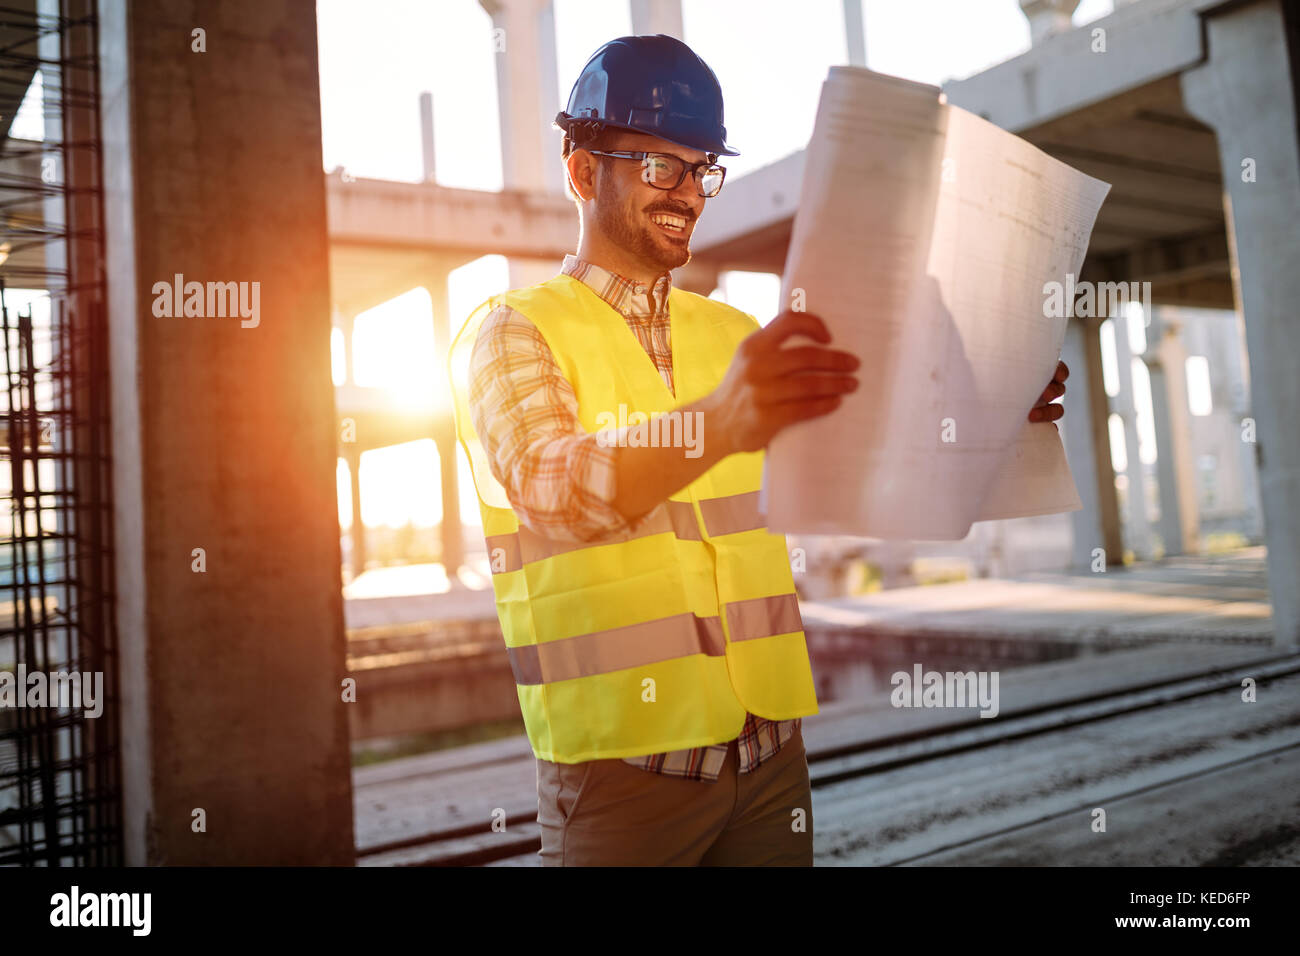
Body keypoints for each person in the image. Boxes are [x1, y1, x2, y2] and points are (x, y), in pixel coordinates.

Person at [448, 34, 1069, 867]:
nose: (689, 193)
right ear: (583, 168)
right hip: (624, 779)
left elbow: (871, 456)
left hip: (771, 761)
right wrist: (718, 423)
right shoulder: (511, 332)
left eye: (702, 168)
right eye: (659, 165)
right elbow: (553, 488)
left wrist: (992, 407)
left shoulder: (739, 338)